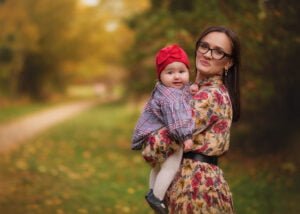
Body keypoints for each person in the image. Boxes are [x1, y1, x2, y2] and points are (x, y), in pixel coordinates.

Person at [142, 26, 241, 214]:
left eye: (218, 51)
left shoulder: (210, 96)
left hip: (197, 191)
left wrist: (149, 142)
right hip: (182, 185)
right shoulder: (192, 91)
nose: (208, 54)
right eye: (205, 46)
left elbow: (155, 148)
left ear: (229, 63)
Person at [131, 44, 195, 214]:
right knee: (171, 165)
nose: (176, 76)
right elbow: (178, 119)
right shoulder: (171, 97)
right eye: (170, 72)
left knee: (157, 167)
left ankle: (152, 191)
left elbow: (184, 93)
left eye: (181, 71)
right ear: (160, 75)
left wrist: (191, 89)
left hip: (151, 136)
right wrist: (186, 137)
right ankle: (157, 198)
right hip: (164, 137)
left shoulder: (165, 90)